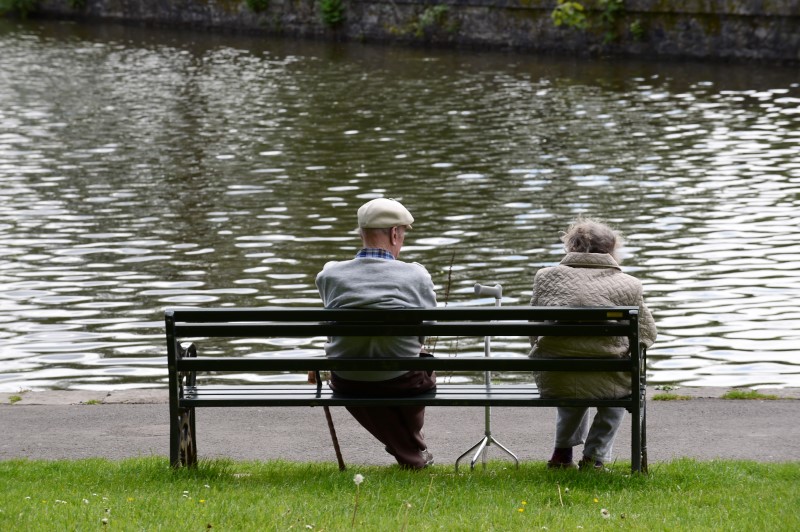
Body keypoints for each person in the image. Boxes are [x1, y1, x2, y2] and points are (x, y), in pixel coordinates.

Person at [315, 198, 438, 469]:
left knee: (361, 382)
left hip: (348, 378)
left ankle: (409, 452)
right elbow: (427, 327)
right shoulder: (416, 276)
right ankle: (412, 451)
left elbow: (331, 328)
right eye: (403, 235)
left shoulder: (329, 275)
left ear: (362, 233)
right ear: (395, 233)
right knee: (423, 369)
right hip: (402, 379)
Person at [529, 217, 657, 470]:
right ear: (611, 249)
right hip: (608, 374)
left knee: (573, 379)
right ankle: (594, 457)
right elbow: (647, 334)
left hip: (557, 376)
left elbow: (534, 328)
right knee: (618, 388)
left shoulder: (545, 277)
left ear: (571, 247)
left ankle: (561, 454)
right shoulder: (629, 284)